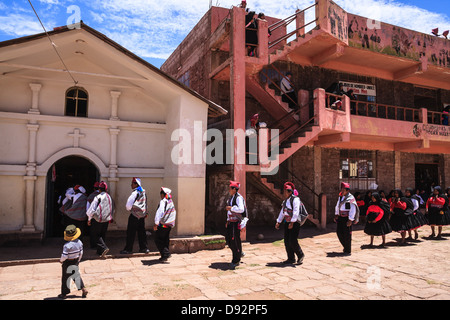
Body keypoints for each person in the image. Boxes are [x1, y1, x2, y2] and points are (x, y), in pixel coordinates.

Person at [275, 182, 306, 265]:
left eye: (286, 191)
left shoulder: (295, 200)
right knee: (287, 241)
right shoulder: (285, 201)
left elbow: (296, 212)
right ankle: (291, 258)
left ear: (290, 191)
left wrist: (292, 222)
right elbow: (283, 212)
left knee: (292, 240)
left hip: (295, 222)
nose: (284, 192)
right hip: (287, 222)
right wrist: (278, 221)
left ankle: (300, 254)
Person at [59, 224, 88, 299]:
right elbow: (81, 253)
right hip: (75, 261)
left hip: (67, 263)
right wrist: (78, 260)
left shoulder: (67, 245)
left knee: (65, 278)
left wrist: (61, 260)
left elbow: (64, 256)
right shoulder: (79, 242)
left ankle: (64, 294)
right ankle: (83, 288)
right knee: (76, 276)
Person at [121, 178, 149, 254]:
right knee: (142, 232)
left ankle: (128, 249)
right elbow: (146, 204)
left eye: (132, 183)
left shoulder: (135, 193)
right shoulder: (143, 192)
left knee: (130, 232)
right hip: (142, 215)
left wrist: (130, 210)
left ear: (136, 184)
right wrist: (145, 213)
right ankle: (144, 248)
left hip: (134, 215)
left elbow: (128, 204)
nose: (131, 185)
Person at [86, 181, 114, 258]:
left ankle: (104, 248)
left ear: (99, 189)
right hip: (106, 219)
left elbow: (91, 209)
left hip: (97, 219)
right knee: (102, 234)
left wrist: (89, 219)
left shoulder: (98, 197)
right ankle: (100, 251)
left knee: (95, 235)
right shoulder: (109, 197)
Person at [334, 182, 360, 255]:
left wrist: (350, 219)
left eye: (343, 189)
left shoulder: (350, 198)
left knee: (347, 234)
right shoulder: (340, 197)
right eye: (341, 189)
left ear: (347, 190)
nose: (342, 190)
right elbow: (337, 206)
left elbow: (353, 209)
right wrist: (336, 214)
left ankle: (347, 250)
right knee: (339, 232)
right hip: (340, 217)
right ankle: (345, 246)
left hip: (347, 218)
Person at [225, 181, 246, 269]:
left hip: (236, 222)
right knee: (229, 239)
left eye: (230, 188)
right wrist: (227, 220)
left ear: (234, 189)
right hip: (231, 221)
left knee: (234, 240)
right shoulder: (231, 197)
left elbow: (241, 209)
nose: (229, 190)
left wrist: (232, 208)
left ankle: (236, 259)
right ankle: (239, 252)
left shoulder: (238, 198)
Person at [154, 187, 177, 262]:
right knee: (165, 239)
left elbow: (159, 213)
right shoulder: (170, 201)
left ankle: (166, 253)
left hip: (163, 225)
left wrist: (156, 223)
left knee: (158, 239)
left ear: (163, 194)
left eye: (161, 194)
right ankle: (165, 255)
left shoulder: (163, 202)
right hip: (169, 225)